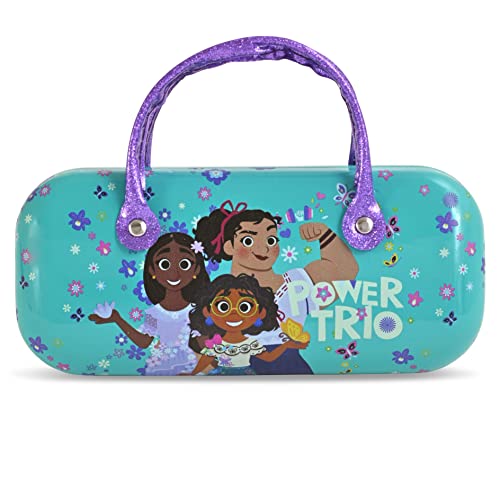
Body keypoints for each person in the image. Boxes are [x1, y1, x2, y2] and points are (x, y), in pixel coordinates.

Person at [194, 200, 359, 374]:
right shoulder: (218, 293)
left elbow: (346, 272)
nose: (263, 248)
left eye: (271, 239)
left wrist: (325, 235)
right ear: (229, 247)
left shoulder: (296, 284)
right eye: (248, 240)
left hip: (290, 370)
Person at [89, 232, 210, 375]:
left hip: (192, 369)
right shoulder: (155, 314)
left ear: (196, 269)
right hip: (159, 369)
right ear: (152, 270)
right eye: (164, 264)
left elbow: (206, 342)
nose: (174, 274)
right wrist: (118, 319)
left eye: (184, 264)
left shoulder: (197, 310)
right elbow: (144, 342)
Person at [188, 274, 308, 375]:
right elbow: (206, 359)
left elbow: (269, 357)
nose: (233, 312)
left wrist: (286, 345)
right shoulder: (217, 343)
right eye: (223, 306)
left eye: (244, 307)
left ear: (261, 313)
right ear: (207, 311)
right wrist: (192, 374)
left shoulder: (250, 344)